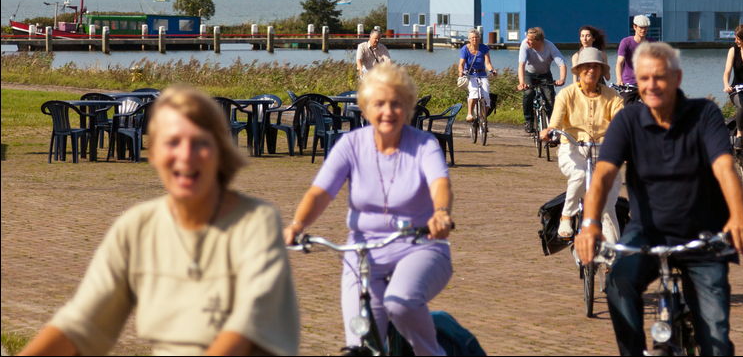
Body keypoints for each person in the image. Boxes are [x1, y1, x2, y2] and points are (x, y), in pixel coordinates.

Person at [21, 86, 299, 356]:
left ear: (221, 152)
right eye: (172, 142)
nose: (185, 155)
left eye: (200, 142)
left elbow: (245, 328)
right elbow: (81, 323)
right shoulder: (138, 226)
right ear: (153, 153)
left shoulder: (256, 222)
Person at [575, 42, 743, 356]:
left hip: (703, 236)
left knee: (715, 339)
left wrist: (739, 216)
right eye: (643, 79)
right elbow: (604, 173)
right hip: (646, 232)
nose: (650, 85)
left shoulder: (704, 114)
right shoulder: (628, 120)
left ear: (677, 78)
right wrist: (590, 224)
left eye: (659, 77)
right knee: (618, 284)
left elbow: (725, 167)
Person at [283, 62, 454, 356]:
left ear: (408, 108)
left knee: (401, 303)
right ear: (365, 109)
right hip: (363, 252)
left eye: (396, 104)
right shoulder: (350, 144)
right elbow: (321, 192)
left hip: (421, 245)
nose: (387, 111)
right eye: (379, 104)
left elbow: (440, 183)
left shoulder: (425, 145)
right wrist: (297, 225)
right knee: (361, 340)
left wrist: (440, 213)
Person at [540, 47, 623, 239]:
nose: (591, 70)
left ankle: (613, 262)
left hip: (604, 153)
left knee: (608, 207)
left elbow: (622, 123)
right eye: (586, 66)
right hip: (573, 149)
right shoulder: (566, 95)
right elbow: (556, 123)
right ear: (577, 70)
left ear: (602, 71)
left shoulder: (613, 97)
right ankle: (567, 216)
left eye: (595, 66)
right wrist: (549, 131)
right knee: (579, 173)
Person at [517, 27, 567, 134]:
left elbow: (562, 64)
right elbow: (521, 65)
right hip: (529, 74)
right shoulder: (525, 45)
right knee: (528, 93)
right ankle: (529, 121)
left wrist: (562, 79)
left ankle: (553, 128)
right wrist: (522, 83)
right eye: (527, 38)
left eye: (530, 39)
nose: (527, 41)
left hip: (545, 75)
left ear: (538, 40)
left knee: (550, 99)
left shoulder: (549, 46)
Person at [458, 28, 497, 122]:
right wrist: (461, 72)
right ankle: (469, 114)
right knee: (474, 92)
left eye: (476, 37)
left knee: (487, 96)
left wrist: (492, 70)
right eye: (472, 38)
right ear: (469, 39)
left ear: (479, 38)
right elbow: (461, 64)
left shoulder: (484, 48)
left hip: (482, 74)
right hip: (470, 75)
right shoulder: (465, 49)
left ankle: (483, 118)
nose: (474, 39)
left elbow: (487, 63)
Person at [615, 15, 653, 104]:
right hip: (629, 83)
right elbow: (619, 63)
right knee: (625, 105)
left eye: (645, 28)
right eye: (641, 28)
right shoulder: (626, 42)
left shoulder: (652, 43)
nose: (643, 30)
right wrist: (619, 79)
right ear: (634, 27)